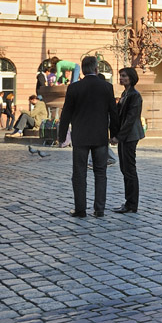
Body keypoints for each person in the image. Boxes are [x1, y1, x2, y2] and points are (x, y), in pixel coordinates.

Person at [58, 56, 119, 218]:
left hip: (80, 137)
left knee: (79, 174)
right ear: (96, 68)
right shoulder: (106, 87)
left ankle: (80, 209)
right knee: (100, 173)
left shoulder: (74, 88)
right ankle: (99, 209)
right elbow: (113, 112)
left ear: (83, 70)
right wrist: (114, 135)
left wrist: (62, 135)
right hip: (100, 137)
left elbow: (66, 114)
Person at [112, 67, 143, 214]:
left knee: (129, 169)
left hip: (130, 136)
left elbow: (130, 119)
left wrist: (119, 136)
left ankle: (132, 204)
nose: (121, 78)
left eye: (124, 76)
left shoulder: (134, 95)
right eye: (120, 76)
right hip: (126, 136)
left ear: (131, 77)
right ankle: (128, 202)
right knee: (125, 169)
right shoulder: (125, 93)